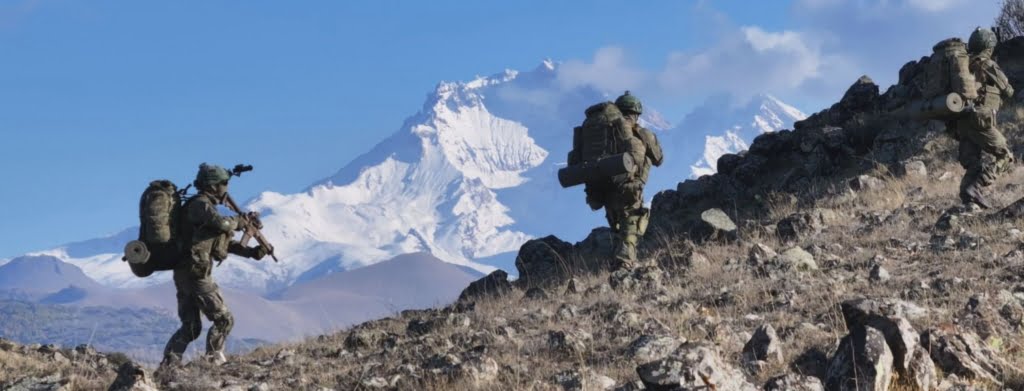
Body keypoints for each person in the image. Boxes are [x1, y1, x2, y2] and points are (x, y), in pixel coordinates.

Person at [160, 163, 266, 368]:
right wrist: (241, 221)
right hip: (196, 273)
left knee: (191, 326)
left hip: (185, 272)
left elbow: (217, 243)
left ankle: (169, 365)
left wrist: (251, 253)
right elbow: (223, 225)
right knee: (224, 319)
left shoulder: (201, 207)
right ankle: (212, 361)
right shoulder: (200, 205)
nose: (226, 188)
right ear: (214, 185)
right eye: (223, 183)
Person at [575, 91, 663, 266]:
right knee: (632, 221)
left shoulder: (602, 131)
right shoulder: (637, 132)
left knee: (616, 224)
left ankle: (616, 261)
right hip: (627, 186)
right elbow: (658, 158)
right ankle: (626, 262)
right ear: (635, 113)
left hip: (601, 185)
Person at [950, 27, 1016, 208]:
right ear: (989, 45)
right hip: (979, 121)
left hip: (961, 123)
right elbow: (1008, 90)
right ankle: (977, 186)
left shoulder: (961, 66)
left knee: (973, 164)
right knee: (1006, 156)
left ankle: (969, 199)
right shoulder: (987, 64)